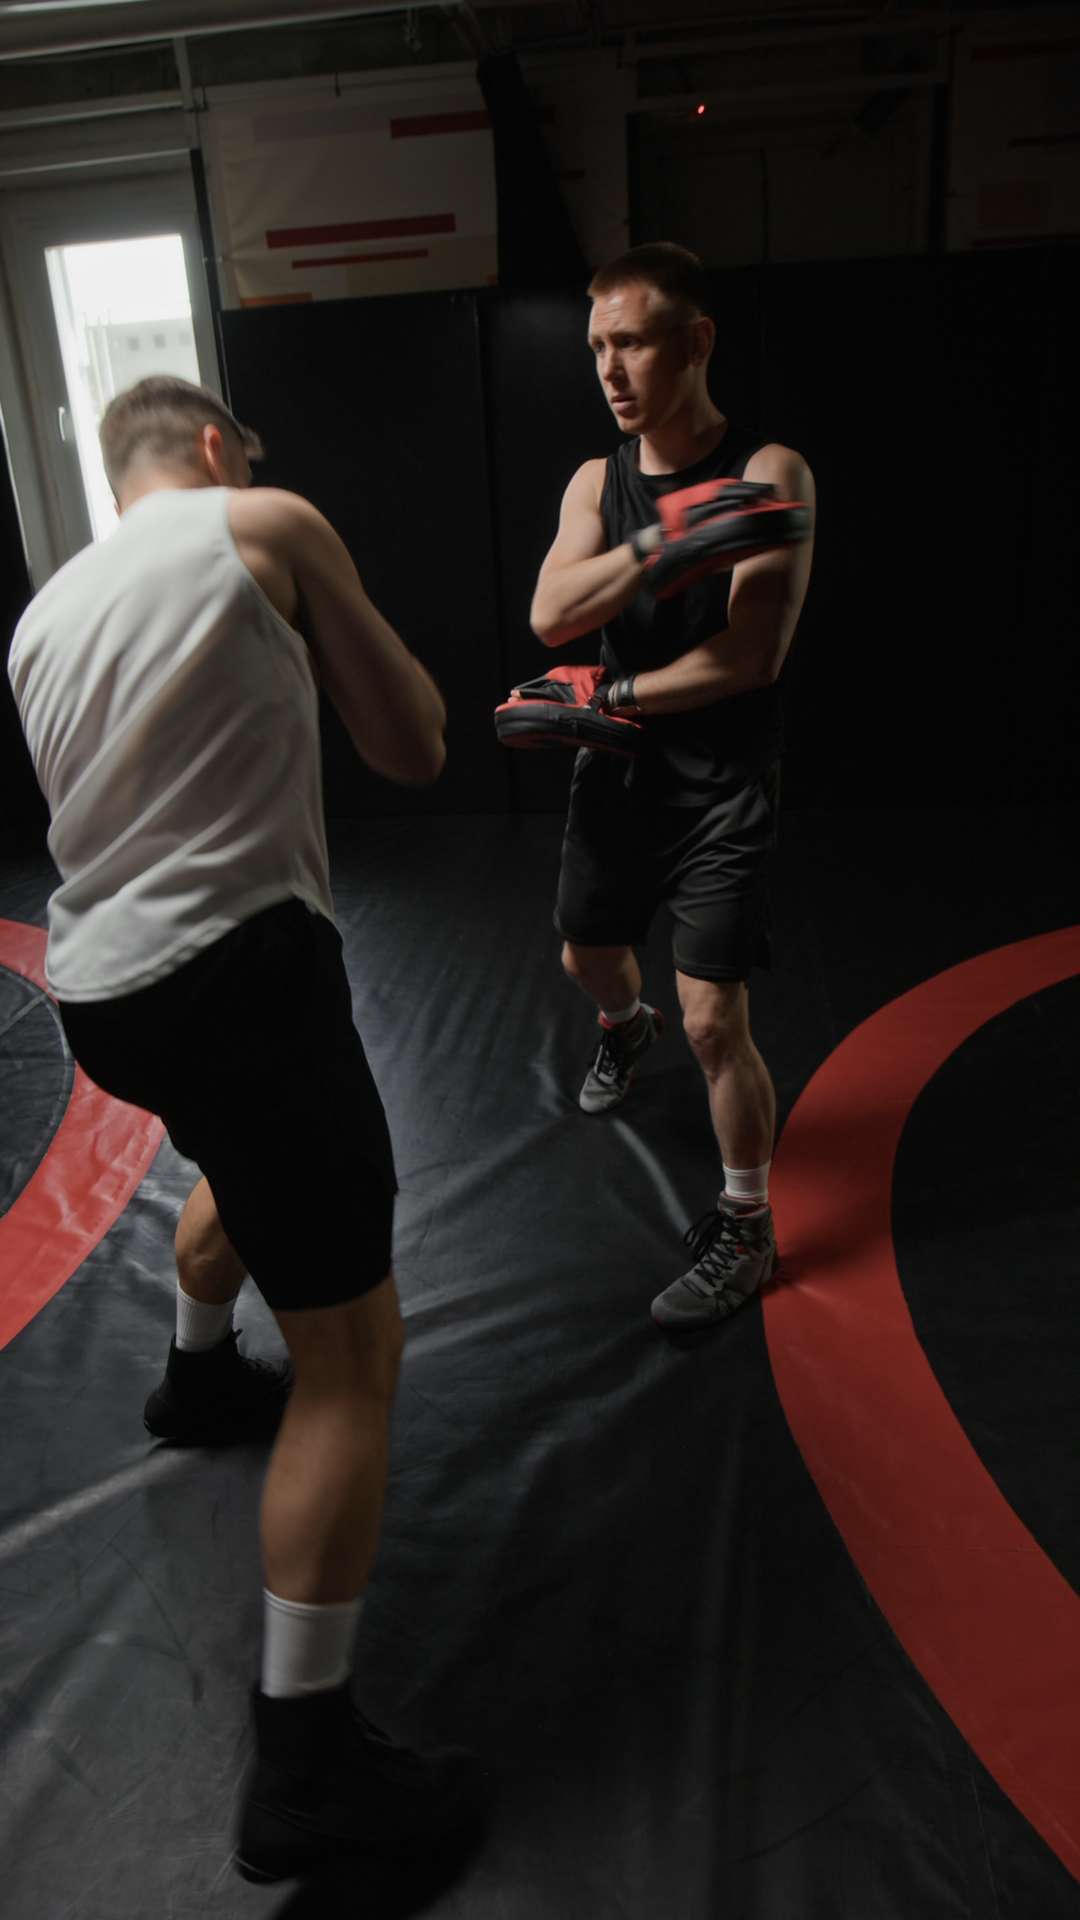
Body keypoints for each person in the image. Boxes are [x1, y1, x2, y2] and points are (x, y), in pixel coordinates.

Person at [8, 375, 477, 1885]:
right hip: (241, 972)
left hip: (102, 995)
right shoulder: (262, 520)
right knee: (353, 1357)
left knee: (239, 1154)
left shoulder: (44, 613)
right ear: (216, 448)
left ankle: (199, 1377)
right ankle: (308, 1772)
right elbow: (414, 744)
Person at [530, 244, 815, 1332]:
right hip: (617, 774)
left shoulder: (770, 472)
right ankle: (622, 1023)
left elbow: (753, 655)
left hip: (722, 782)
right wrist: (665, 546)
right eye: (597, 346)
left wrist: (614, 691)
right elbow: (551, 616)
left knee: (712, 1021)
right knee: (585, 957)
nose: (609, 369)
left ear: (696, 342)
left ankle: (748, 1224)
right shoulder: (595, 482)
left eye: (633, 343)